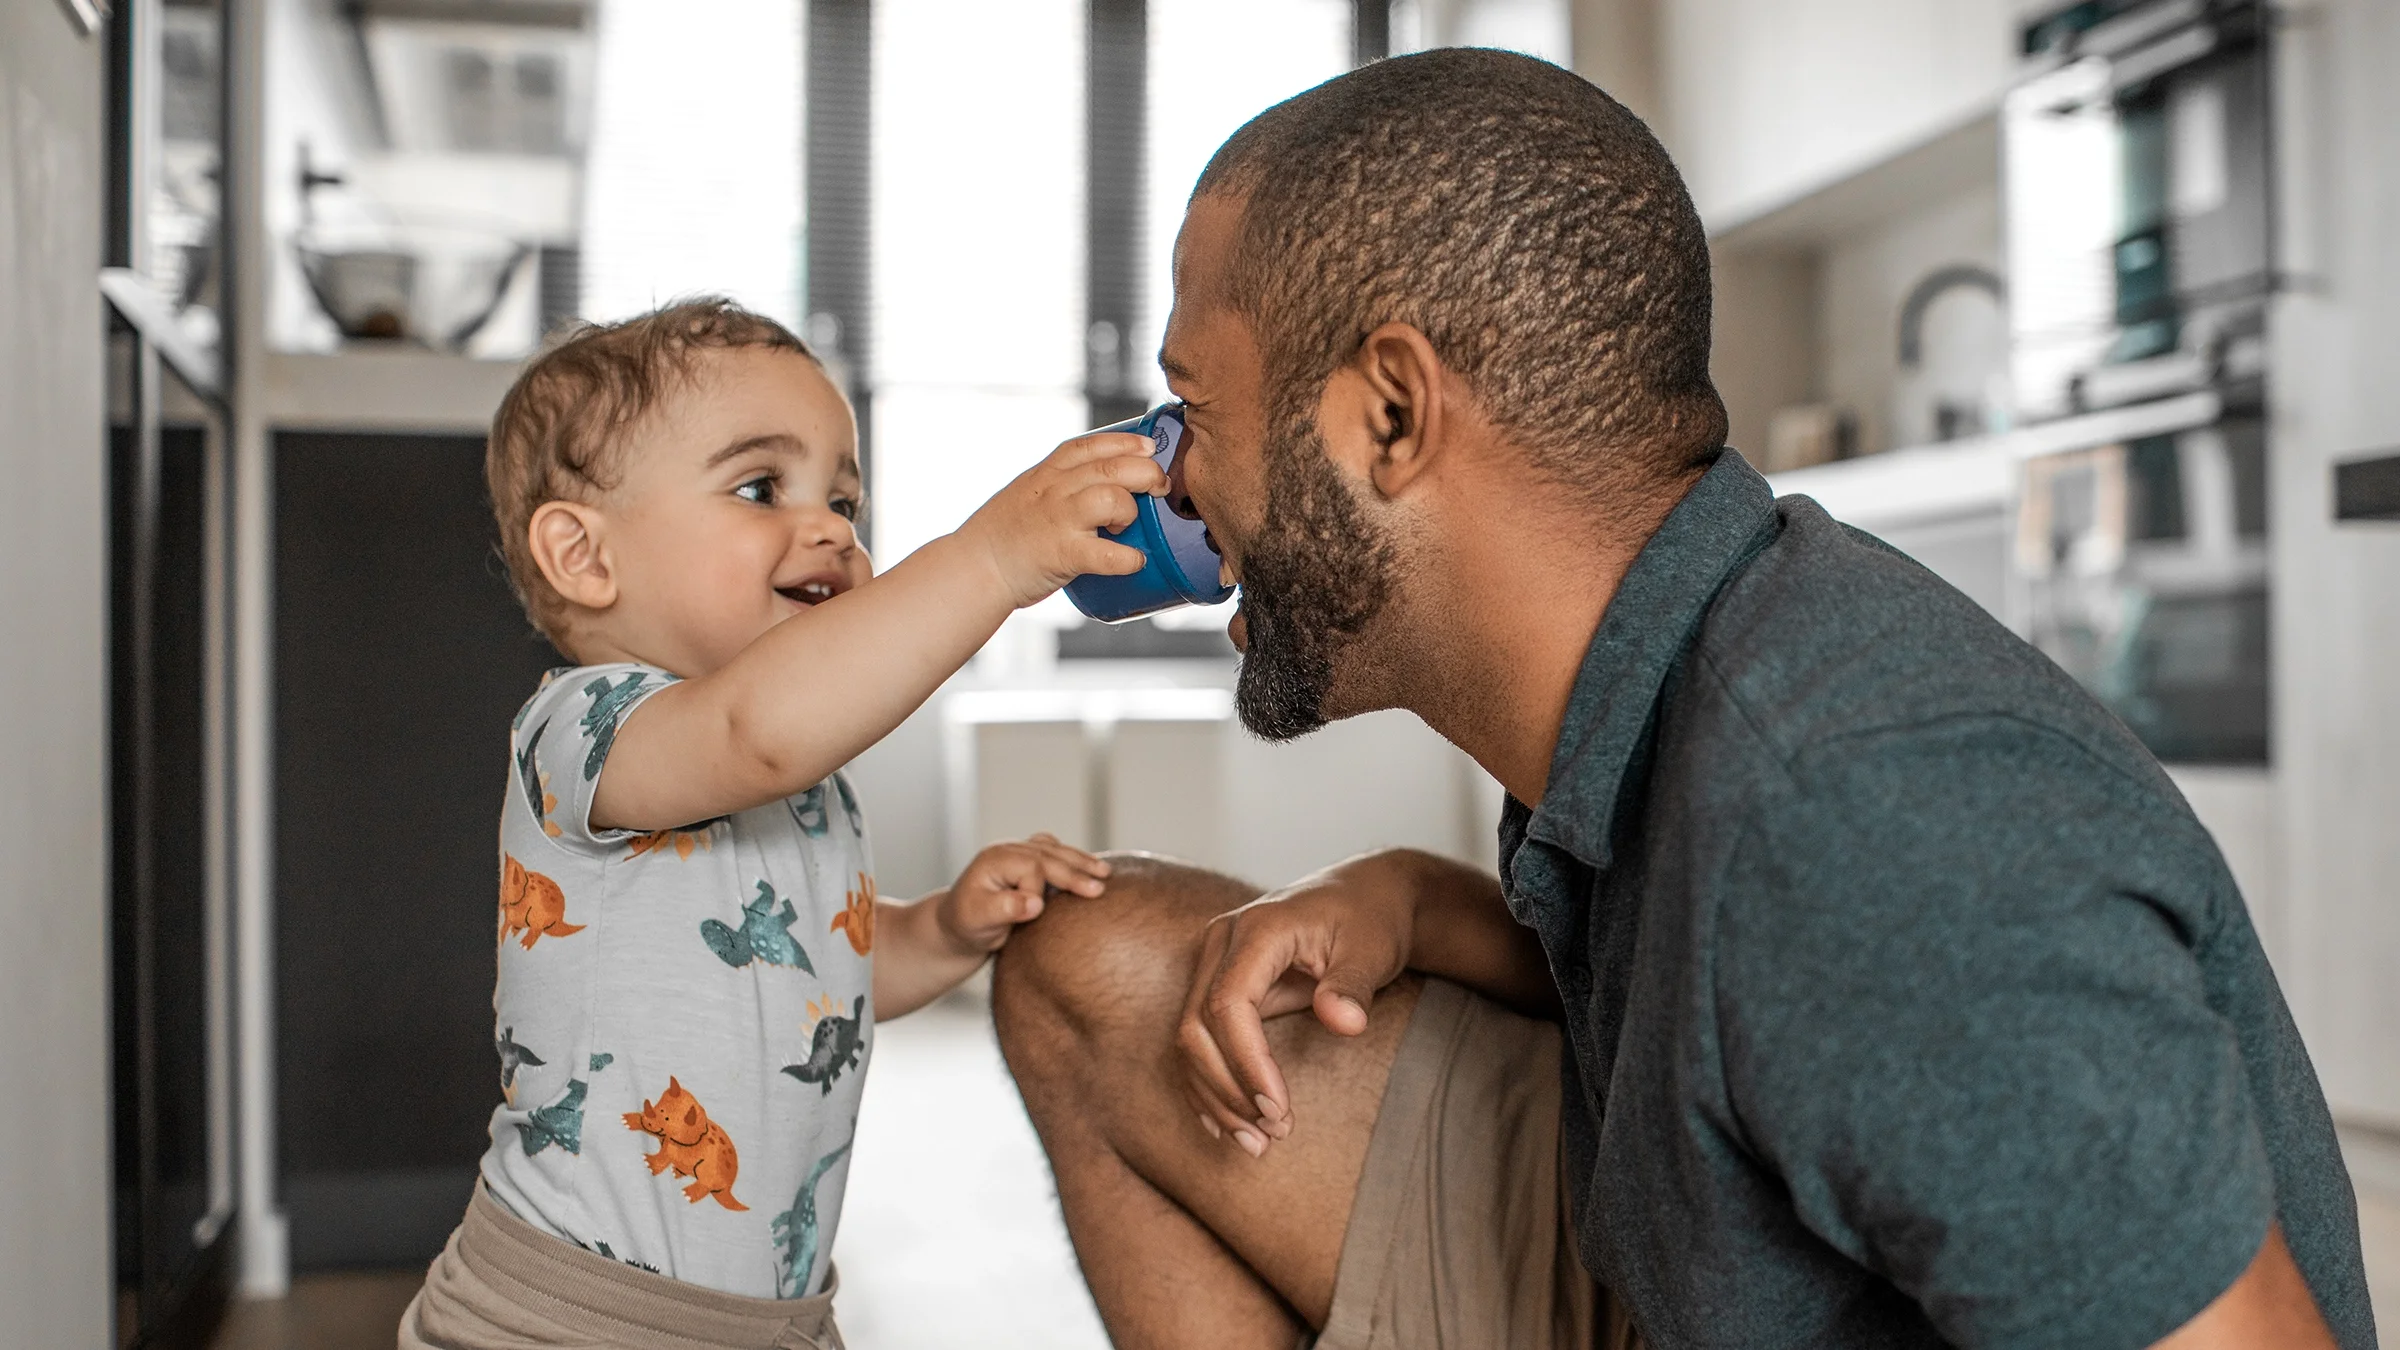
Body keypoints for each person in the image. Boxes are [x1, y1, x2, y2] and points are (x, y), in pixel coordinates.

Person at [992, 48, 2377, 1350]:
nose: (1168, 480)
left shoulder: (1875, 830)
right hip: (1677, 1253)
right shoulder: (1660, 650)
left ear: (1393, 418)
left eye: (1194, 409)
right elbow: (1720, 1000)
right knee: (1088, 966)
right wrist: (1414, 899)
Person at [398, 298, 1168, 1350]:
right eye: (762, 487)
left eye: (845, 497)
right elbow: (759, 729)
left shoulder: (804, 788)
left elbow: (826, 982)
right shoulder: (583, 729)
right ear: (584, 556)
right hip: (573, 1314)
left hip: (775, 1314)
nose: (832, 528)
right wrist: (991, 559)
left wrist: (939, 929)